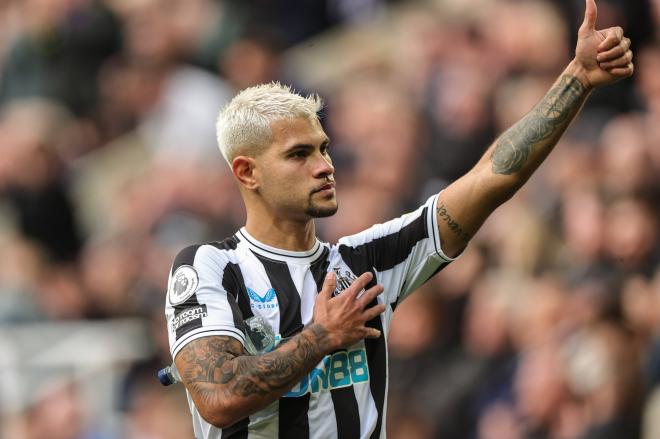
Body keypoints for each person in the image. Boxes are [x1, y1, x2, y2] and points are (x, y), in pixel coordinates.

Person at [164, 0, 634, 437]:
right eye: (299, 154)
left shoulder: (369, 261)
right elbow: (219, 397)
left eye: (324, 149)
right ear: (248, 172)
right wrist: (323, 336)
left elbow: (491, 178)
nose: (325, 165)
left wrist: (578, 79)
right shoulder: (208, 267)